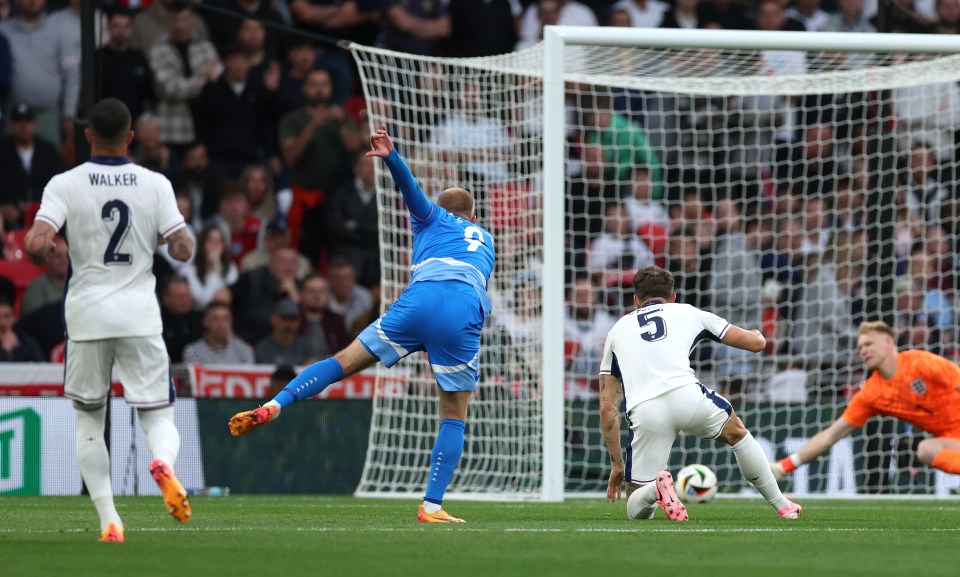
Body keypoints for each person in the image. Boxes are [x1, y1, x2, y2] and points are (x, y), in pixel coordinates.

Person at [228, 125, 496, 524]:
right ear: (473, 217)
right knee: (453, 414)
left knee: (341, 362)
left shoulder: (430, 218)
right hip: (462, 307)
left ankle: (275, 403)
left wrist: (391, 156)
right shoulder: (486, 238)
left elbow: (411, 193)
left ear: (441, 210)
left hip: (418, 301)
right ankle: (432, 506)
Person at [22, 98, 196, 542]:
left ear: (87, 136)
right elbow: (183, 247)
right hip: (139, 315)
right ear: (131, 136)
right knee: (158, 415)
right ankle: (163, 465)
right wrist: (166, 237)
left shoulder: (65, 182)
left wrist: (38, 245)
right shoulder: (154, 183)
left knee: (88, 420)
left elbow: (38, 239)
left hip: (86, 315)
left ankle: (109, 520)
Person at [600, 266, 802, 521]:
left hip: (645, 410)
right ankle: (783, 505)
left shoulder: (617, 330)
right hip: (687, 397)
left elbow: (607, 406)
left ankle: (656, 487)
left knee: (636, 508)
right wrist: (758, 336)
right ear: (673, 296)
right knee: (737, 434)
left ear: (636, 300)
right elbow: (755, 345)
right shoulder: (688, 312)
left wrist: (617, 464)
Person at [772, 321, 960, 479]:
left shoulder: (919, 362)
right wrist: (783, 467)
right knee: (925, 450)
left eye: (869, 344)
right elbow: (829, 436)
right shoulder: (871, 394)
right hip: (952, 439)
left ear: (888, 342)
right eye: (860, 347)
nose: (863, 351)